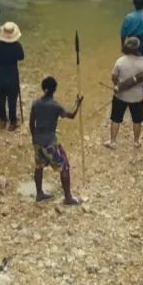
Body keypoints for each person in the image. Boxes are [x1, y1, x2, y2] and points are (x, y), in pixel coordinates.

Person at [30, 77, 84, 205]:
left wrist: (34, 138)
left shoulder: (35, 103)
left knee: (39, 166)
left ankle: (39, 194)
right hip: (50, 141)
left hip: (37, 140)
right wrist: (78, 103)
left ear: (43, 88)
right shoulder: (55, 106)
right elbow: (71, 115)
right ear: (54, 89)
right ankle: (68, 197)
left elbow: (31, 123)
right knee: (64, 166)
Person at [105, 37, 143, 149]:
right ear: (138, 47)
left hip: (120, 96)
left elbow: (114, 77)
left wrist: (118, 86)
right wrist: (141, 84)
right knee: (137, 120)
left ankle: (112, 142)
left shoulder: (120, 61)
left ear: (126, 47)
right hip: (137, 96)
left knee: (116, 118)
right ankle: (136, 142)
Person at [0, 21, 25, 130]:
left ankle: (2, 120)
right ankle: (13, 122)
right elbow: (21, 57)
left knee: (1, 98)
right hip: (12, 73)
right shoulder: (17, 46)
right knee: (12, 99)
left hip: (0, 73)